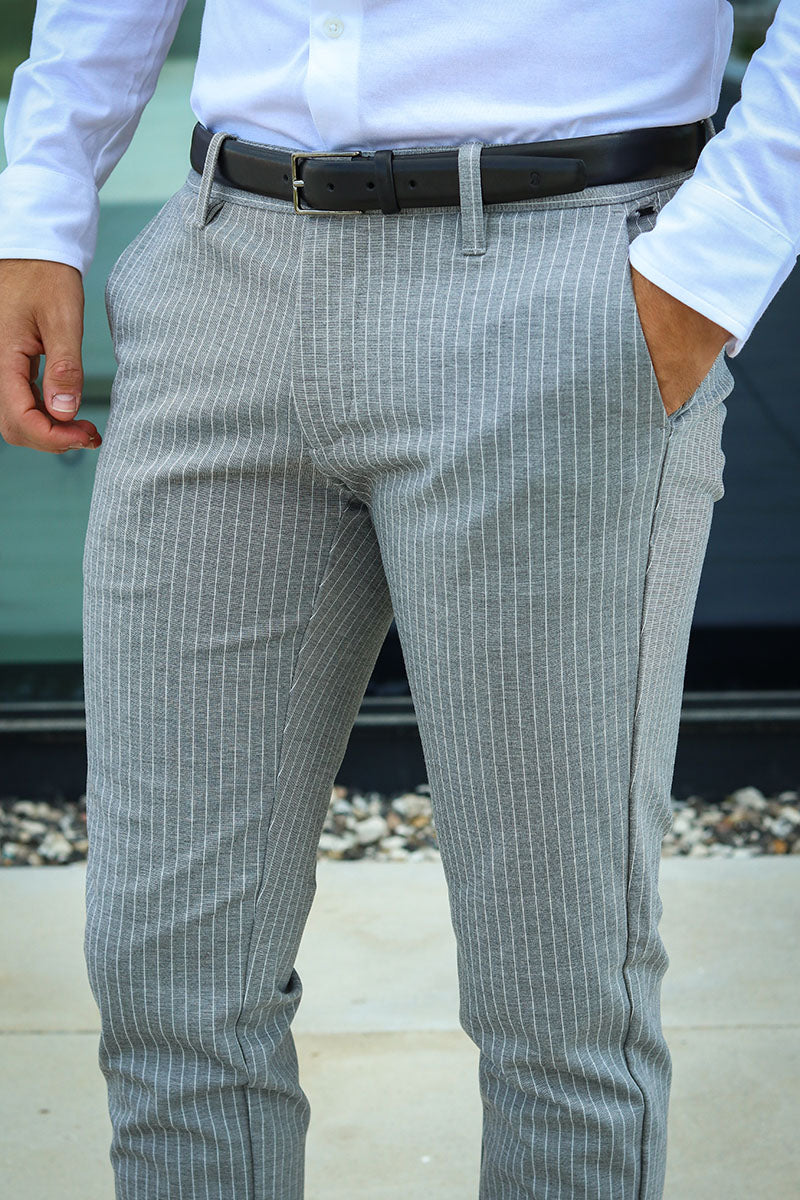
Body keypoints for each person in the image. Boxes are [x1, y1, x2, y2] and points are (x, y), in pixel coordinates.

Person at [0, 2, 797, 1197]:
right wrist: (42, 195)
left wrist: (718, 256)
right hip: (226, 261)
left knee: (559, 1004)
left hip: (560, 276)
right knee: (169, 984)